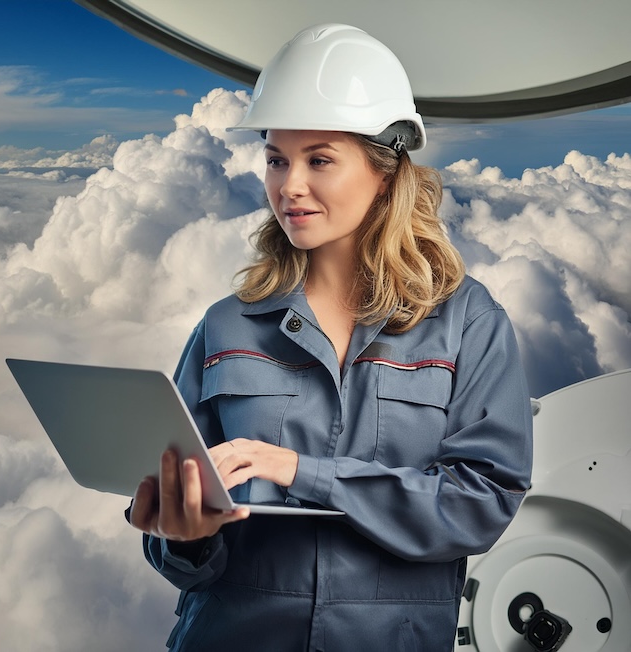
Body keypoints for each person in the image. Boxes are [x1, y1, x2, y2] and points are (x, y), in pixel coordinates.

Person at [128, 23, 533, 651]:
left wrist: (302, 472)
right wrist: (184, 539)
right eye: (276, 159)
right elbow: (185, 549)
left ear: (385, 170)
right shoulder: (226, 325)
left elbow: (481, 502)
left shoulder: (468, 323)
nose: (289, 185)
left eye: (319, 159)